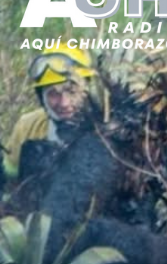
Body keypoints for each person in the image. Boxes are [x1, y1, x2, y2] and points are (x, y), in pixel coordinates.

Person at [5, 46, 98, 180]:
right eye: (53, 94)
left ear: (87, 91)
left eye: (72, 91)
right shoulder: (27, 127)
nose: (64, 103)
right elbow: (6, 180)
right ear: (41, 97)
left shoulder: (106, 130)